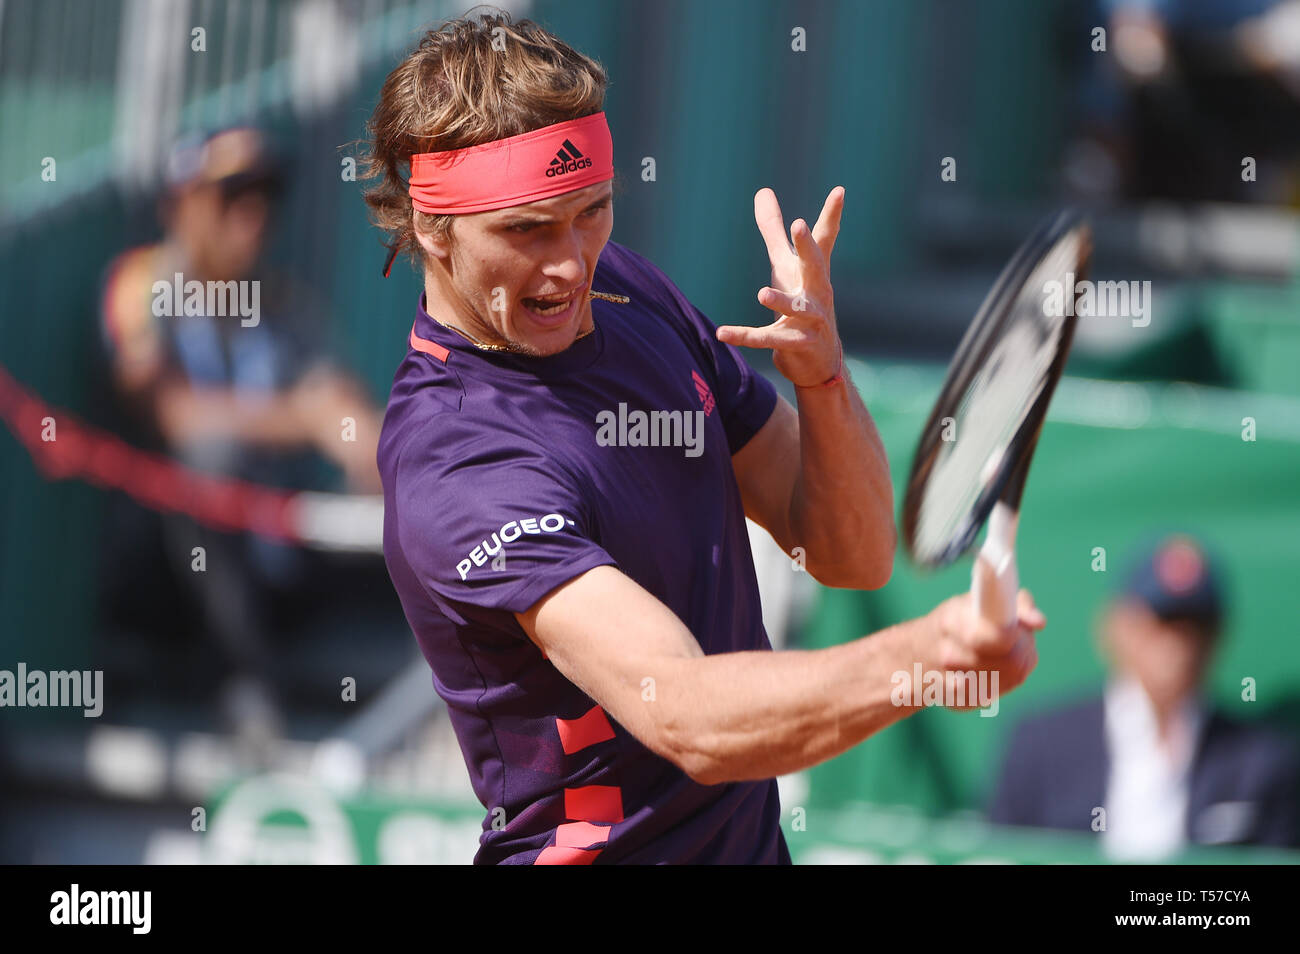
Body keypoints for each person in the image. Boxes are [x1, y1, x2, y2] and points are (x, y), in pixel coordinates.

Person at [371, 12, 1046, 864]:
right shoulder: (459, 459)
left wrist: (825, 380)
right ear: (432, 227)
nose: (572, 263)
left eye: (593, 211)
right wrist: (928, 657)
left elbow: (849, 554)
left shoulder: (621, 288)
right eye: (528, 229)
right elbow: (682, 711)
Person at [100, 126, 383, 742]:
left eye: (264, 196)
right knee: (211, 461)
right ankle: (244, 685)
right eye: (232, 196)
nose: (254, 215)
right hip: (165, 579)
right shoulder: (141, 286)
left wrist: (377, 454)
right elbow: (172, 415)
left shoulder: (280, 302)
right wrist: (301, 417)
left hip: (275, 565)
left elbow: (347, 417)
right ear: (181, 205)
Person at [988, 535, 1300, 858]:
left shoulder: (1263, 762)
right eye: (1161, 620)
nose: (1178, 644)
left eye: (1196, 625)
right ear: (1116, 627)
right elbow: (995, 855)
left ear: (1217, 636)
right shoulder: (1041, 744)